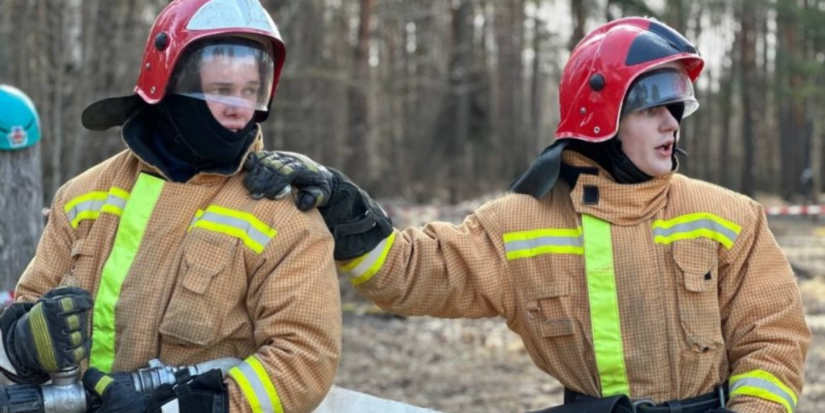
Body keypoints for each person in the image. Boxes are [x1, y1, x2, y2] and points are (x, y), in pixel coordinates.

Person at [243, 17, 811, 413]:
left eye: (677, 106)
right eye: (652, 106)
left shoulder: (729, 217)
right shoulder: (521, 224)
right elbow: (410, 275)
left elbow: (774, 341)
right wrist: (348, 210)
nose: (672, 123)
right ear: (601, 115)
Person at [0, 1, 342, 412]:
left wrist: (179, 410)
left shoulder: (283, 215)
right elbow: (25, 314)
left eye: (251, 91)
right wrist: (22, 343)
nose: (239, 108)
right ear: (166, 82)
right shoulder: (82, 195)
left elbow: (305, 361)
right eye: (220, 90)